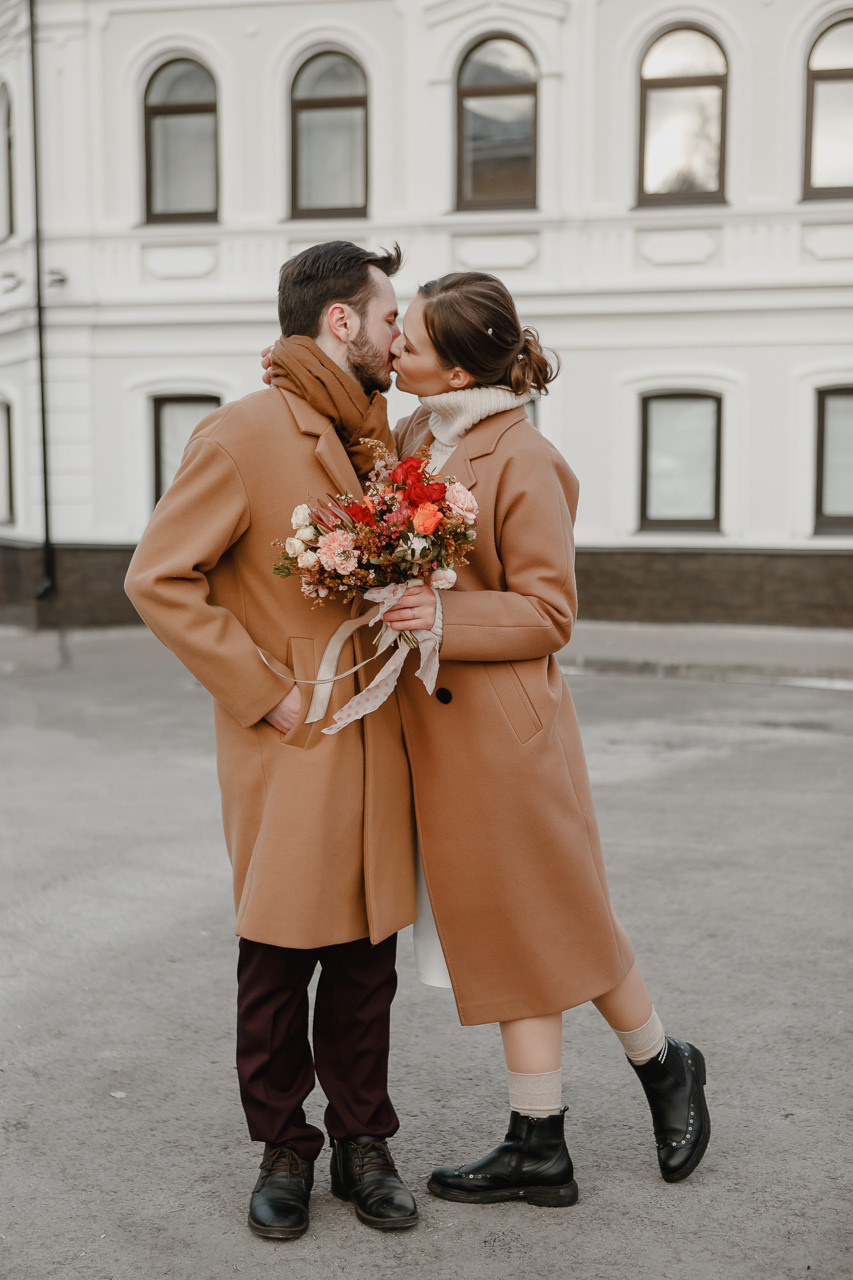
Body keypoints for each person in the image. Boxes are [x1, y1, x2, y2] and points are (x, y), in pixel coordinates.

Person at [267, 270, 711, 1206]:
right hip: (438, 735)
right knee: (524, 922)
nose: (394, 351)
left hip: (507, 734)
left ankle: (645, 1074)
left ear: (459, 368)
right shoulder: (416, 433)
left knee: (553, 913)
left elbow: (550, 614)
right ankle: (555, 1131)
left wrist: (440, 613)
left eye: (411, 342)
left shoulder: (522, 457)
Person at [125, 241, 422, 1242]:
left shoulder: (373, 436)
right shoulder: (241, 432)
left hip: (377, 729)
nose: (397, 335)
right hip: (293, 736)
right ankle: (284, 1144)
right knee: (278, 957)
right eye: (387, 318)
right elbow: (159, 577)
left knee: (367, 954)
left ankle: (363, 1140)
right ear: (340, 320)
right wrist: (263, 692)